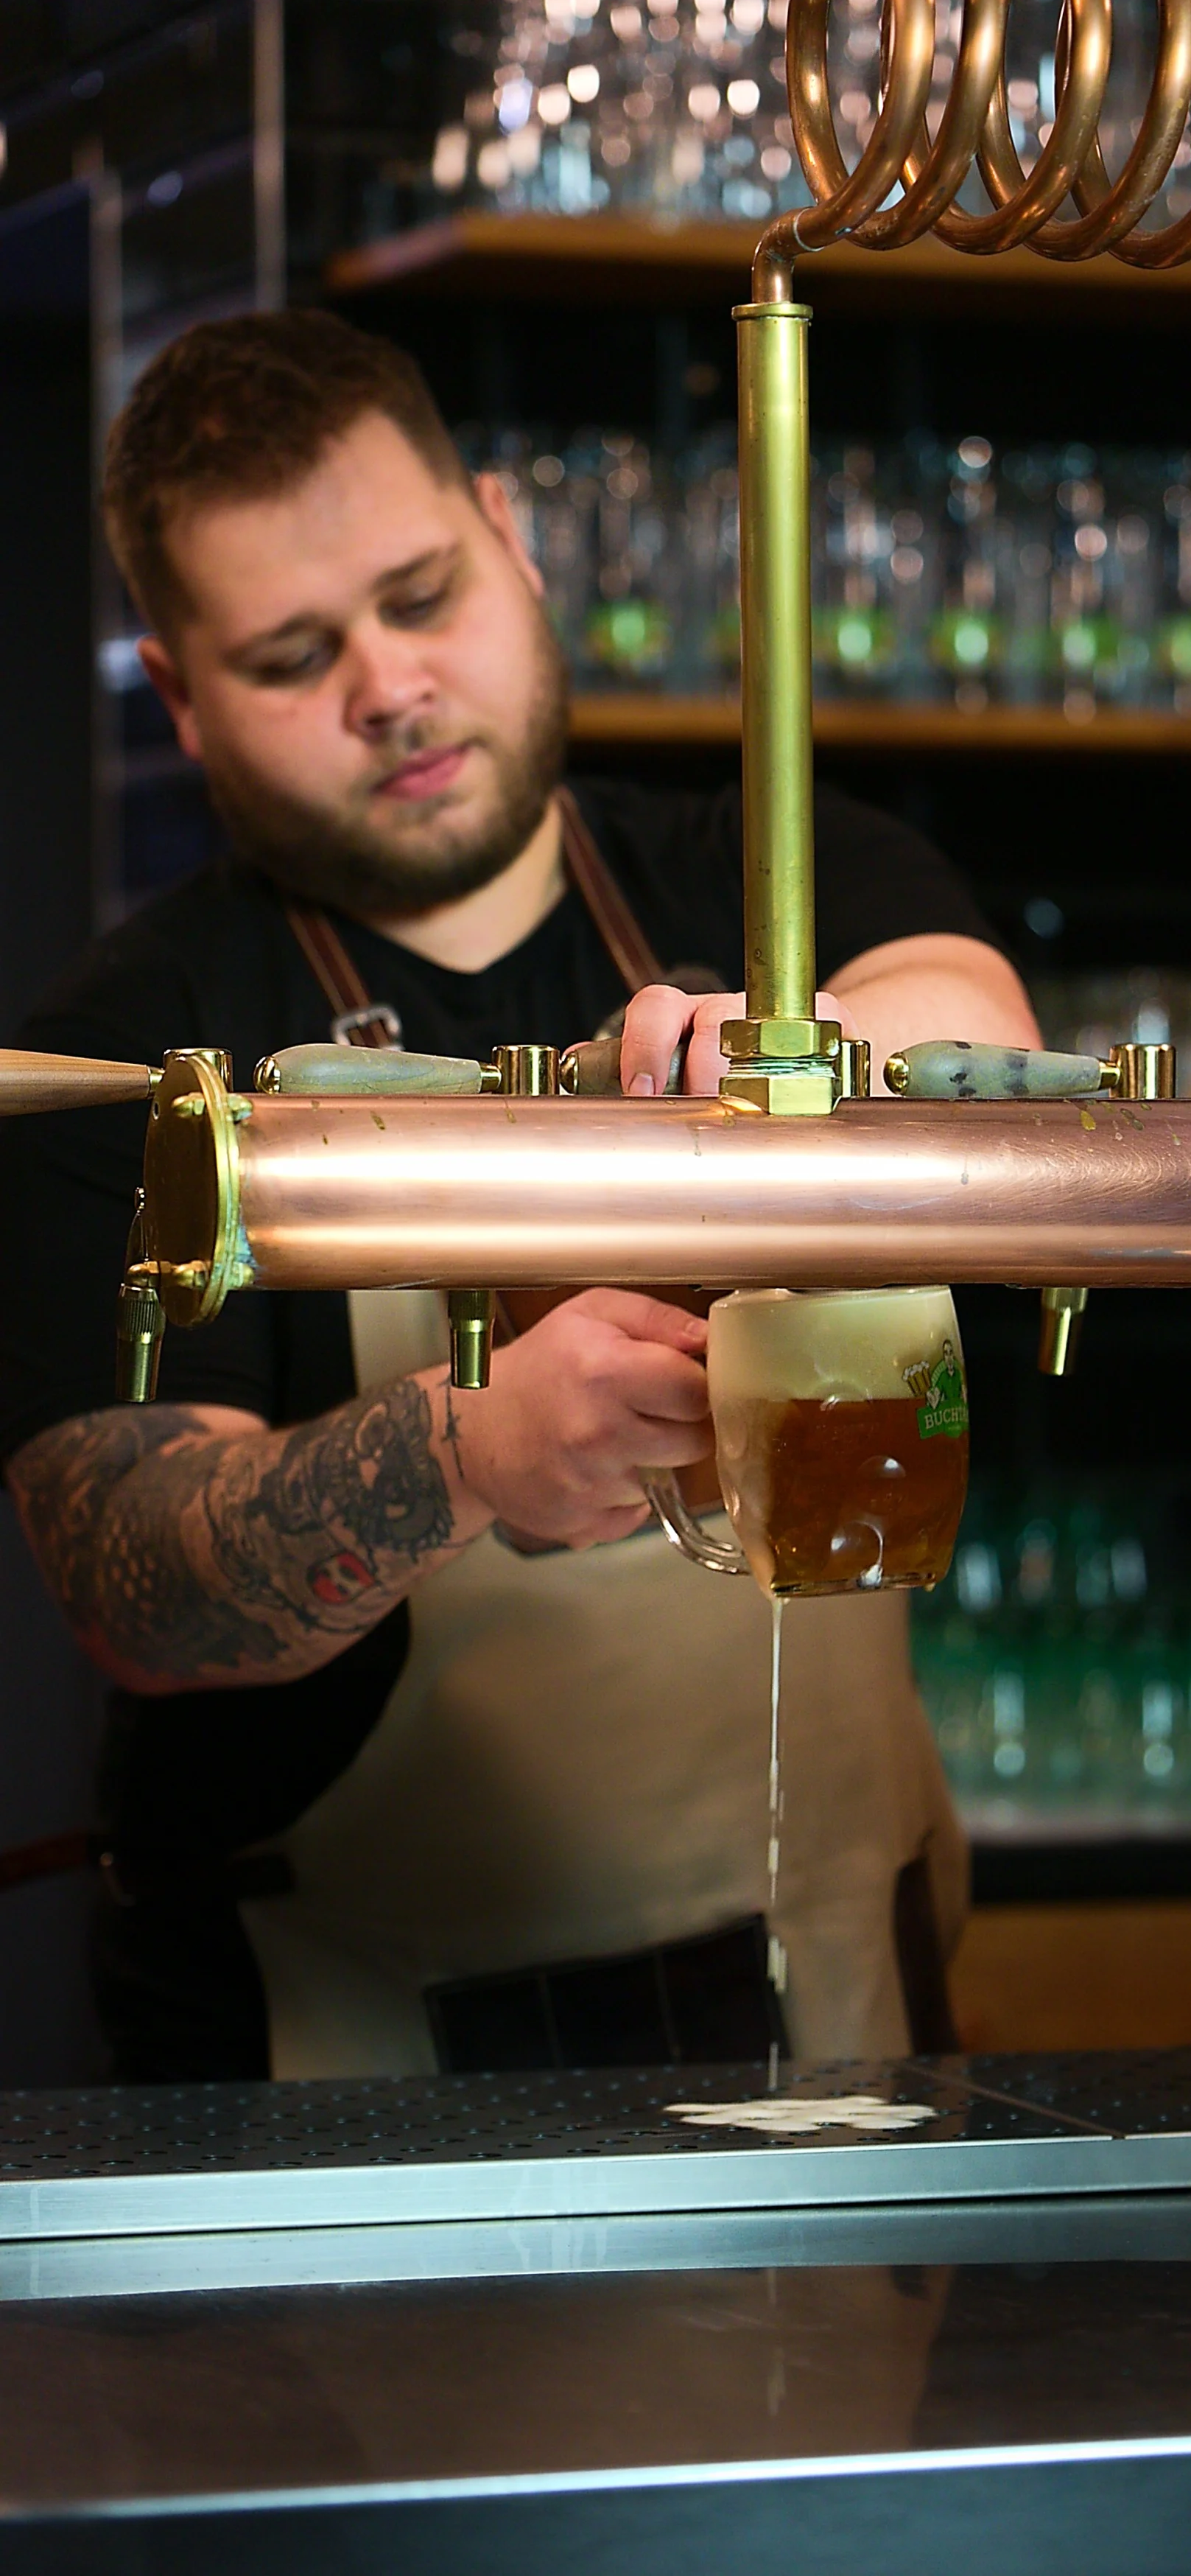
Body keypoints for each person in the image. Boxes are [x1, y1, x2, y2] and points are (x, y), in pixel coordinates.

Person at [0, 310, 1041, 2083]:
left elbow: (972, 1021)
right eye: (290, 654)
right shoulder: (135, 1048)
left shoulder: (756, 875)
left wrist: (798, 1050)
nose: (389, 686)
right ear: (177, 694)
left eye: (423, 595)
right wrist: (471, 1456)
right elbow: (130, 1581)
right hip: (340, 2110)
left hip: (846, 2032)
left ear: (511, 533)